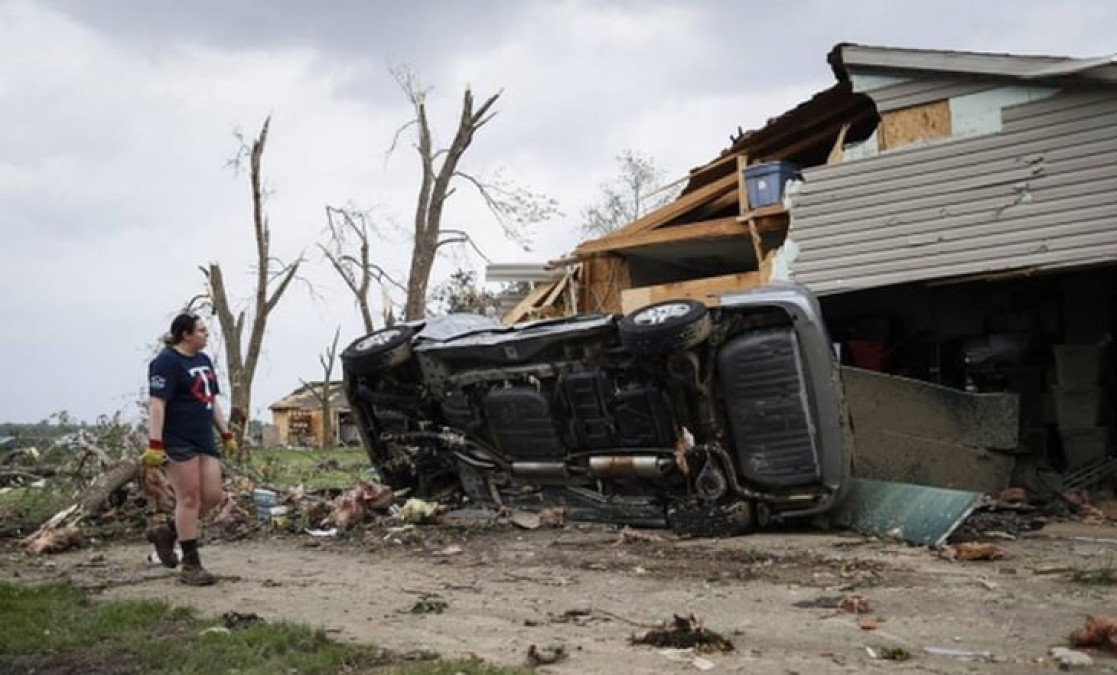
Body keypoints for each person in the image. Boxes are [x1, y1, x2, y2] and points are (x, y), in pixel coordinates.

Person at [141, 313, 237, 585]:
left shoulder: (203, 361)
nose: (207, 334)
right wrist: (155, 444)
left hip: (203, 437)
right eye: (202, 330)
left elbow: (211, 400)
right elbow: (157, 403)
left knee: (213, 495)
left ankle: (167, 532)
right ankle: (191, 565)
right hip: (177, 438)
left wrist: (226, 432)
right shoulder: (166, 362)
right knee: (190, 499)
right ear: (186, 334)